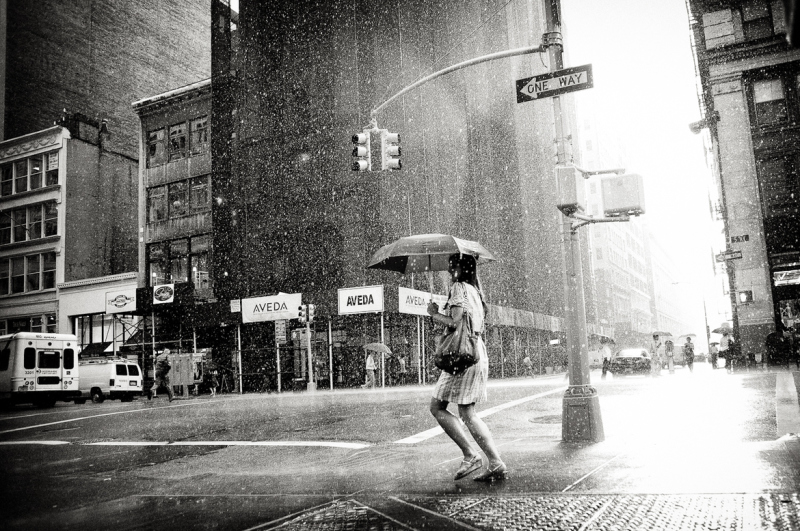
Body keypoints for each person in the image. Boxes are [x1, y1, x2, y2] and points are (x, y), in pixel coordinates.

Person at [426, 253, 507, 482]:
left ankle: (473, 455)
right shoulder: (476, 292)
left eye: (451, 267)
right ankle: (493, 461)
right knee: (466, 411)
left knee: (438, 407)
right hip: (475, 351)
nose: (449, 271)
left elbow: (454, 322)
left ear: (460, 269)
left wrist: (434, 314)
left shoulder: (460, 288)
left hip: (462, 355)